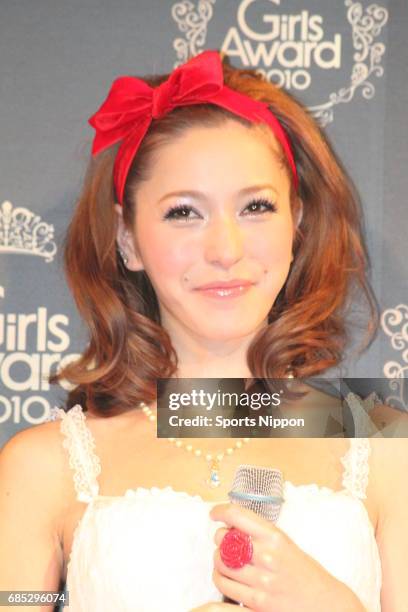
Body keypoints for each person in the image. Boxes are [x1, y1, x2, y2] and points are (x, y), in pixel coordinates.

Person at [0, 49, 407, 612]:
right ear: (127, 239)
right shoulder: (43, 466)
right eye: (184, 212)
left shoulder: (386, 447)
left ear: (298, 222)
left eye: (256, 207)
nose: (225, 251)